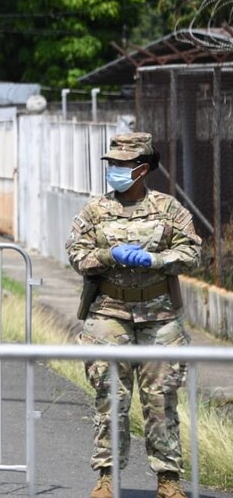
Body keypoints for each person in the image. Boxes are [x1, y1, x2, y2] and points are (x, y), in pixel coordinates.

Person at [66, 132, 201, 498]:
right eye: (111, 164)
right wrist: (109, 256)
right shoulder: (95, 210)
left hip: (159, 315)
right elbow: (76, 254)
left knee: (161, 400)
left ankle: (168, 480)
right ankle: (107, 477)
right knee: (110, 397)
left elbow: (192, 252)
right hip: (109, 311)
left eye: (122, 165)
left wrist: (157, 260)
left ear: (142, 169)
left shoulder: (169, 209)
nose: (114, 170)